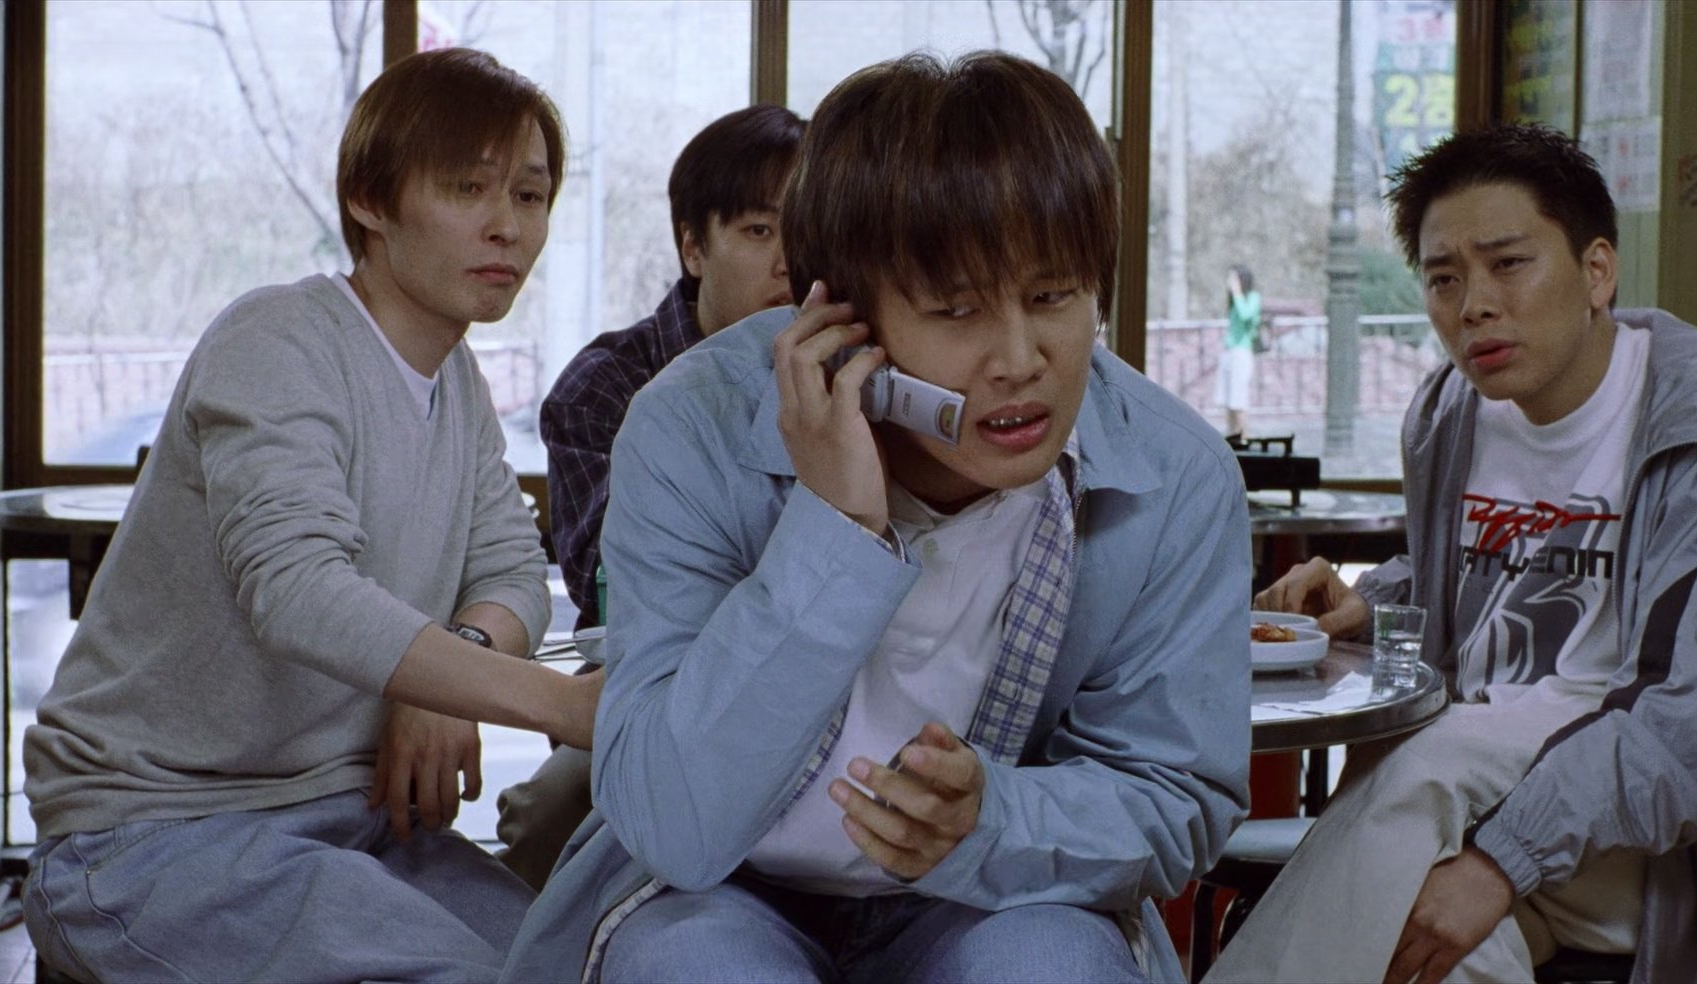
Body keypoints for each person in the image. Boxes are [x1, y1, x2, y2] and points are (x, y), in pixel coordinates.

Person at [499, 51, 1250, 984]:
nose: (1021, 359)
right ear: (841, 318)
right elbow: (671, 821)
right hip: (722, 884)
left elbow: (1172, 795)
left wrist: (992, 822)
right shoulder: (689, 428)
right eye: (957, 310)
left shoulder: (1172, 473)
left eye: (1053, 296)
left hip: (998, 894)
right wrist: (837, 530)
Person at [1208, 123, 1697, 984]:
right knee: (1428, 954)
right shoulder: (1455, 412)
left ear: (1597, 271)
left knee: (1421, 763)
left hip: (1646, 837)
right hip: (1479, 813)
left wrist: (1499, 862)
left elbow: (1691, 730)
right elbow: (1495, 584)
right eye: (1443, 278)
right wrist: (1376, 602)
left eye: (1508, 264)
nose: (1473, 305)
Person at [20, 48, 605, 983]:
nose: (508, 226)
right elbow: (294, 590)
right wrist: (563, 705)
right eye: (468, 188)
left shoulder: (456, 380)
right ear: (370, 200)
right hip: (151, 831)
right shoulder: (279, 336)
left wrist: (443, 674)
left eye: (529, 196)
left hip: (355, 820)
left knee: (582, 963)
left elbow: (508, 570)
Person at [495, 104, 806, 890]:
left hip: (819, 689)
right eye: (760, 231)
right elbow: (612, 583)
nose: (790, 263)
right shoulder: (609, 386)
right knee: (552, 811)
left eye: (810, 232)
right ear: (693, 246)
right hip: (654, 692)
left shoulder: (857, 367)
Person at [1221, 264, 1261, 436]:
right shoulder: (1233, 300)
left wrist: (1237, 293)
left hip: (1241, 352)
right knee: (1228, 401)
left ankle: (1243, 436)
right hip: (1229, 351)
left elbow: (1246, 315)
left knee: (1238, 400)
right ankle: (1231, 435)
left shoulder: (1252, 298)